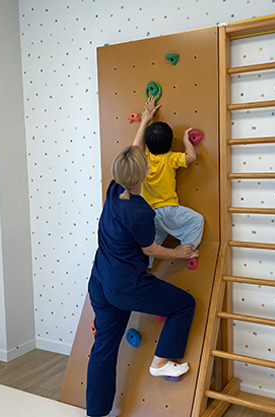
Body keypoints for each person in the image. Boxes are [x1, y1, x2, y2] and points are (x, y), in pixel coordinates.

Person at [86, 99, 198, 417]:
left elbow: (133, 155)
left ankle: (96, 412)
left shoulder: (113, 189)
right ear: (145, 173)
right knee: (184, 305)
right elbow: (150, 249)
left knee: (104, 348)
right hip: (126, 285)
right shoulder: (141, 211)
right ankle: (161, 361)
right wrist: (176, 252)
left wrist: (145, 120)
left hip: (101, 282)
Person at [134, 97, 204, 270]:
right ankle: (189, 251)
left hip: (150, 214)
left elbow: (137, 146)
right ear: (171, 143)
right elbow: (191, 156)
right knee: (197, 221)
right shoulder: (171, 158)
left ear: (147, 144)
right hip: (168, 211)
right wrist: (186, 140)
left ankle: (146, 267)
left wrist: (146, 120)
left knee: (152, 245)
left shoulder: (144, 157)